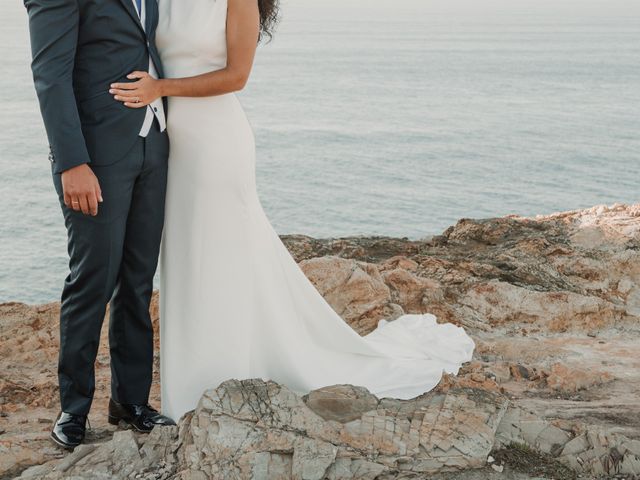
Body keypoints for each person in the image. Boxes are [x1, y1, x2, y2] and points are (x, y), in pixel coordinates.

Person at [107, 0, 476, 423]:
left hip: (216, 142)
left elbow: (236, 76)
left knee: (224, 252)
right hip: (172, 143)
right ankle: (196, 373)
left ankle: (223, 373)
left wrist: (161, 89)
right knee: (189, 258)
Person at [24, 0, 176, 450]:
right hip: (94, 156)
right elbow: (49, 75)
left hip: (154, 146)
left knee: (137, 280)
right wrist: (72, 163)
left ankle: (130, 403)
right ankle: (74, 408)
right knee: (92, 279)